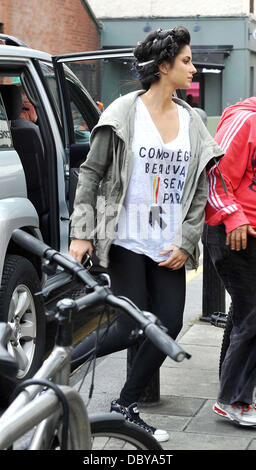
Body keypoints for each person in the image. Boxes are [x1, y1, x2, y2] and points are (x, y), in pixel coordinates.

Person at [69, 26, 223, 442]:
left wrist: (187, 241)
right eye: (186, 61)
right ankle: (61, 367)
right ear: (163, 66)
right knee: (129, 326)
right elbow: (91, 174)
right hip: (125, 238)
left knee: (167, 324)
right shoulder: (122, 113)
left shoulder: (193, 119)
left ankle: (124, 405)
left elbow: (199, 190)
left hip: (168, 243)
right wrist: (82, 232)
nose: (193, 69)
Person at [203, 96, 256, 426]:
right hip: (234, 232)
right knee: (253, 315)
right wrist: (233, 216)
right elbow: (214, 173)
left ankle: (230, 389)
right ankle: (233, 400)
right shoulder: (245, 119)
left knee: (245, 312)